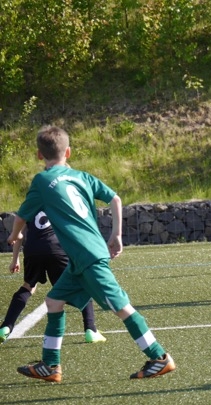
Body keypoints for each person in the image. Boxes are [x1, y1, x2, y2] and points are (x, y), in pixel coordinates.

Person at [7, 125, 175, 382]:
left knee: (122, 307)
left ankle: (159, 357)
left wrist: (14, 235)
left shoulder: (42, 180)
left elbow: (21, 216)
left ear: (39, 155)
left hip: (87, 257)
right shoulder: (82, 176)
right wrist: (116, 235)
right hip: (81, 258)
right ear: (68, 152)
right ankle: (50, 365)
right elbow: (115, 199)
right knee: (53, 302)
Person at [0, 213, 106, 345]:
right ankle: (91, 329)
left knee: (28, 286)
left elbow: (19, 232)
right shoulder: (59, 202)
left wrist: (15, 259)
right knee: (81, 285)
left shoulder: (30, 203)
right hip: (56, 248)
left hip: (32, 250)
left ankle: (6, 326)